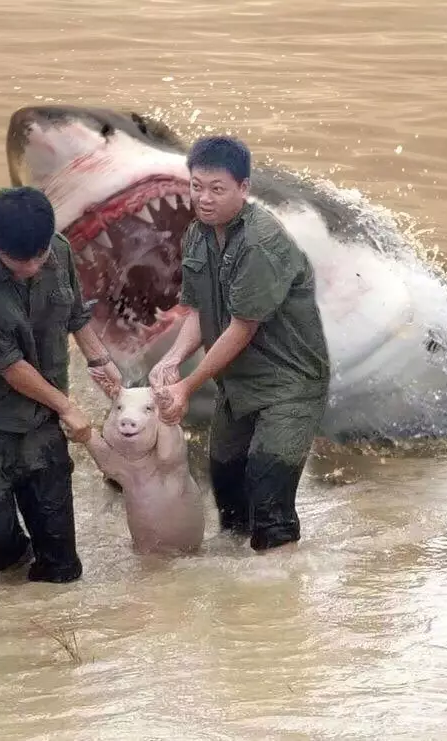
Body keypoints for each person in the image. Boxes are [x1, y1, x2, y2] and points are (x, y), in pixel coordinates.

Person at [149, 136, 330, 553]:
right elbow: (197, 310)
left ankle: (276, 603)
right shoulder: (198, 234)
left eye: (217, 189)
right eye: (196, 186)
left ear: (244, 188)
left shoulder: (260, 243)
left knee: (269, 506)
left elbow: (241, 328)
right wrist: (173, 360)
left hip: (289, 388)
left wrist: (186, 388)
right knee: (229, 502)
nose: (204, 199)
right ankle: (234, 599)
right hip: (238, 386)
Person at [0, 186, 122, 583]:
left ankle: (51, 630)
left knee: (62, 565)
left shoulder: (58, 250)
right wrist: (66, 406)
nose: (31, 267)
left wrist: (100, 359)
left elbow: (75, 313)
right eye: (17, 260)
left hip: (39, 419)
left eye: (39, 256)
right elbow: (10, 366)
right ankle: (14, 576)